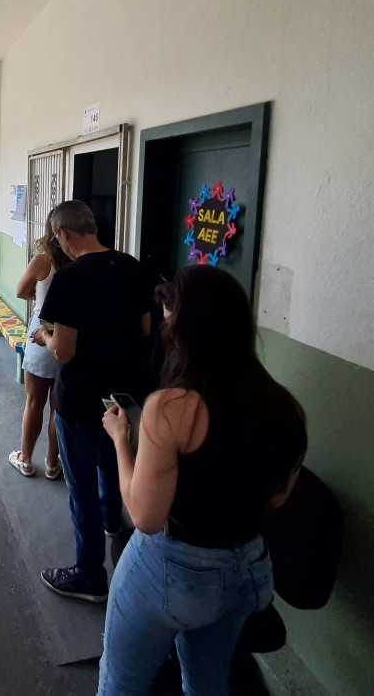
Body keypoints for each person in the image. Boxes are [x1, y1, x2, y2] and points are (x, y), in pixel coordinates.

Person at [98, 264, 306, 694]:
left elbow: (144, 516)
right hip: (249, 570)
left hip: (176, 571)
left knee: (120, 686)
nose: (165, 328)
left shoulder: (172, 407)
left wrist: (121, 439)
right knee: (208, 686)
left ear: (188, 327)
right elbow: (278, 499)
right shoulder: (286, 406)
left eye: (170, 318)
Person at [33, 199, 151, 602]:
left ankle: (89, 574)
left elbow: (64, 351)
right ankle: (112, 523)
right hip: (122, 396)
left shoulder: (70, 278)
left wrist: (44, 337)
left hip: (80, 398)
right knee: (113, 460)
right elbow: (146, 327)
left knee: (80, 483)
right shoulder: (133, 266)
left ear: (64, 234)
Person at [9, 212, 70, 479]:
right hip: (69, 335)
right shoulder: (77, 261)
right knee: (58, 405)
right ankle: (52, 462)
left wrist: (37, 295)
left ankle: (25, 459)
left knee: (34, 402)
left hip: (41, 332)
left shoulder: (42, 261)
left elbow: (21, 291)